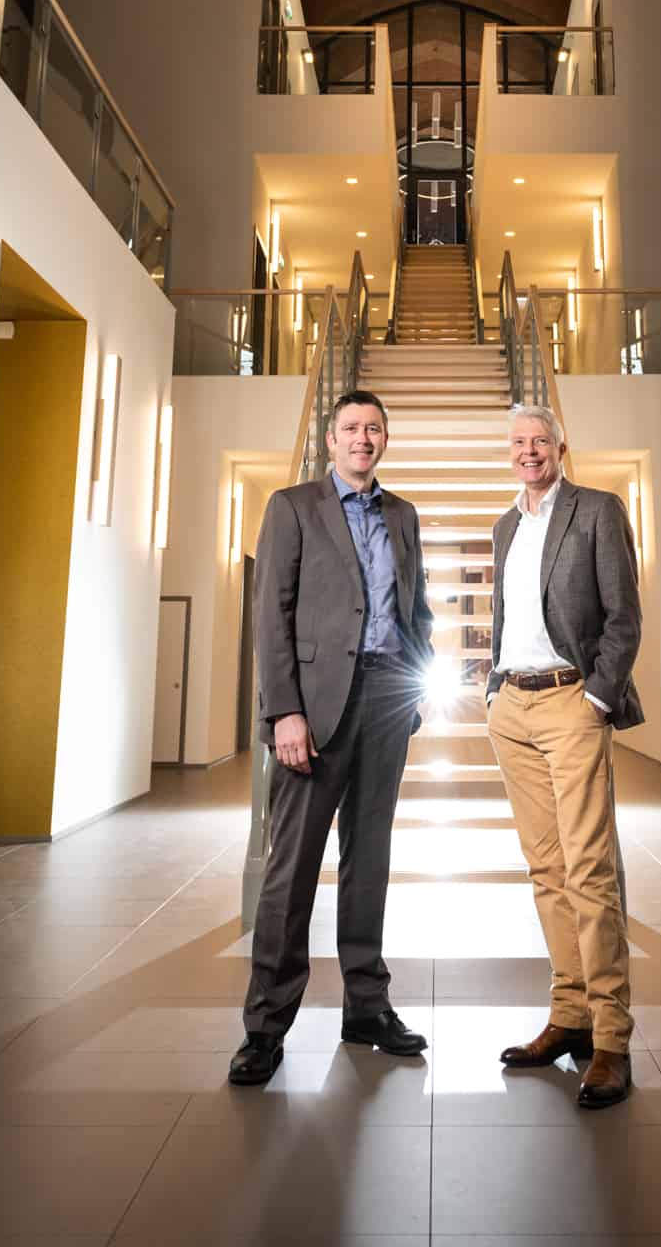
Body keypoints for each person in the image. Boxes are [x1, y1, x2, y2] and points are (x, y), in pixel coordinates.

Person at [228, 389, 434, 1086]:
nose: (363, 438)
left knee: (368, 860)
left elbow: (417, 608)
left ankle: (367, 1007)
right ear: (331, 438)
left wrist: (416, 683)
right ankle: (265, 1026)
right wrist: (282, 711)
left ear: (385, 439)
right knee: (290, 872)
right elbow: (271, 615)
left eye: (374, 428)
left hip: (386, 702)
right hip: (313, 713)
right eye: (351, 427)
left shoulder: (402, 514)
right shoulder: (292, 508)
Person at [486, 402, 644, 1110]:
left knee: (588, 869)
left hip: (571, 702)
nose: (529, 451)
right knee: (546, 870)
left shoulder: (597, 511)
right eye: (519, 442)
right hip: (512, 711)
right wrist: (494, 689)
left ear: (560, 447)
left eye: (540, 441)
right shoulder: (506, 526)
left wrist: (597, 698)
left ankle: (610, 1038)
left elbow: (623, 617)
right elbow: (507, 616)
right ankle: (569, 1013)